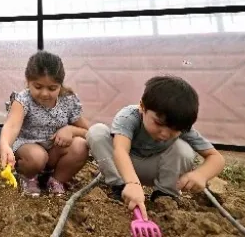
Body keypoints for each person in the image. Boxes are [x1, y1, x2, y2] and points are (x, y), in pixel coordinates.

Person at [86, 75, 226, 220]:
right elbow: (120, 150)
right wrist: (132, 183)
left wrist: (201, 175)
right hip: (123, 167)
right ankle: (119, 187)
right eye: (158, 123)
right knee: (97, 132)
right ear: (142, 107)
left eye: (174, 129)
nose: (165, 133)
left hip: (155, 170)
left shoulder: (184, 128)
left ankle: (165, 195)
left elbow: (216, 158)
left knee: (184, 149)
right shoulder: (129, 117)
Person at [0, 51, 90, 197]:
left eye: (52, 88)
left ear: (60, 85)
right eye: (38, 87)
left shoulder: (68, 100)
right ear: (28, 81)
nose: (45, 93)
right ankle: (28, 177)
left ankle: (56, 180)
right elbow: (12, 125)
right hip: (29, 149)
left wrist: (71, 130)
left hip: (54, 150)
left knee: (81, 145)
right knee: (37, 157)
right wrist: (5, 145)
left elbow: (88, 132)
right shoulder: (23, 100)